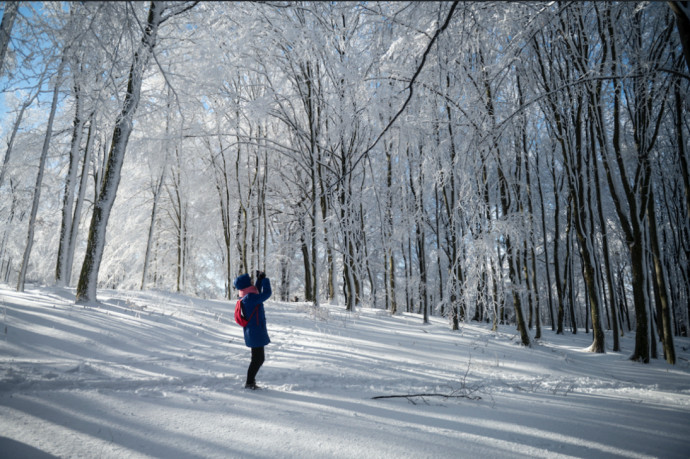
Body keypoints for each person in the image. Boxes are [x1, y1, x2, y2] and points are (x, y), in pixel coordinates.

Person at [233, 270, 272, 390]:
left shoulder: (247, 296)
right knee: (258, 359)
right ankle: (249, 383)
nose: (251, 282)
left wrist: (259, 280)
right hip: (255, 332)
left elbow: (257, 292)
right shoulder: (249, 298)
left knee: (257, 358)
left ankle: (250, 382)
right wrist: (265, 280)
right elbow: (267, 294)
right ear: (246, 284)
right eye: (250, 281)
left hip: (254, 331)